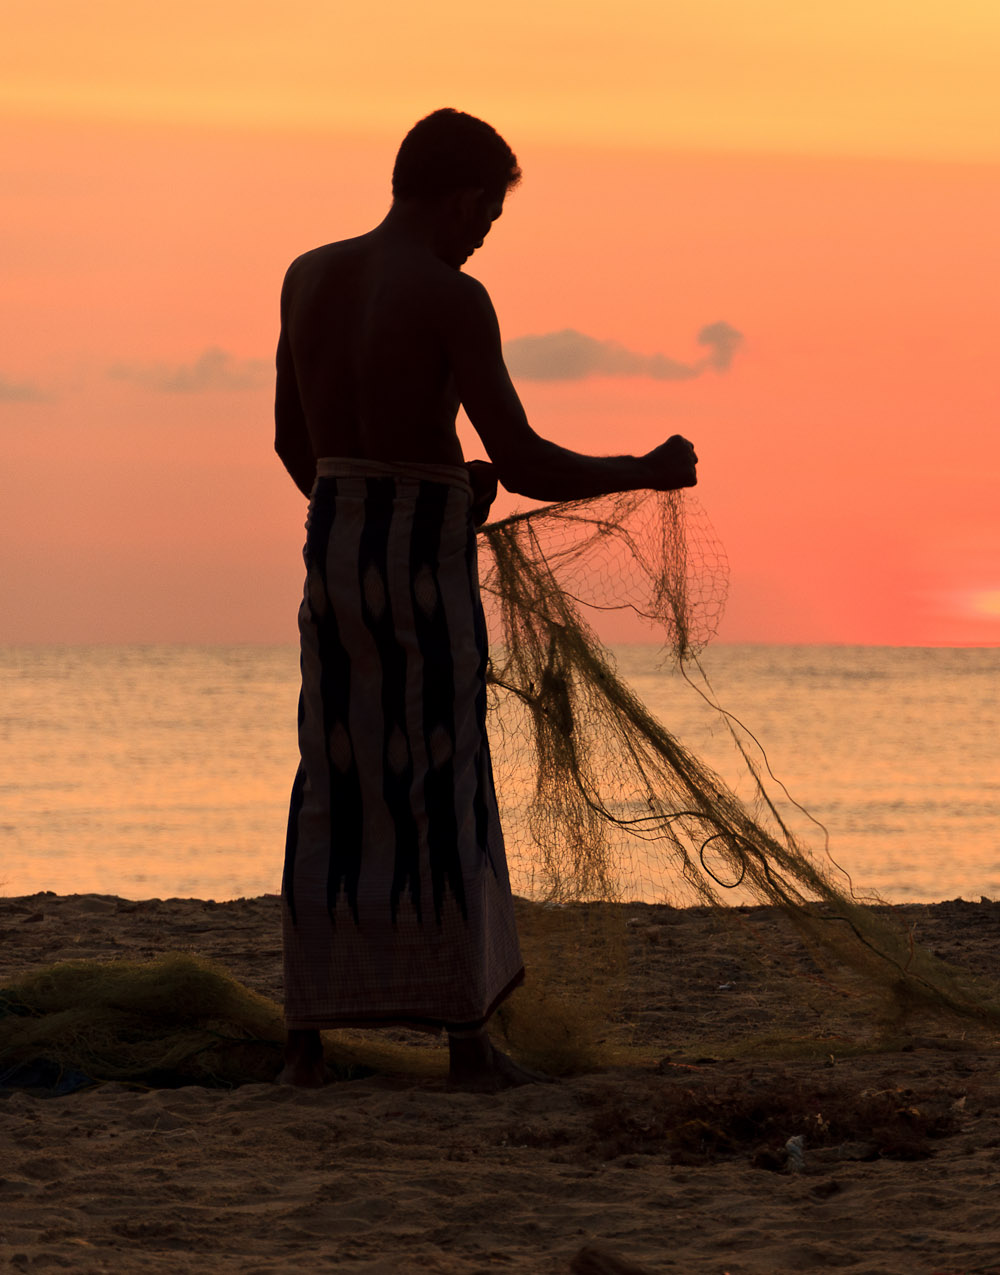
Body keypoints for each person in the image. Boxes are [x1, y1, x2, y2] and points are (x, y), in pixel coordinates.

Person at [271, 108, 696, 1088]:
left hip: (336, 549)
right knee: (440, 776)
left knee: (335, 776)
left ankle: (308, 1041)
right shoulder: (454, 297)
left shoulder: (308, 276)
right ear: (464, 198)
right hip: (419, 558)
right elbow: (525, 460)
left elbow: (298, 446)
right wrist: (645, 467)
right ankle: (468, 1041)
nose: (482, 236)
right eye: (488, 217)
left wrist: (373, 504)